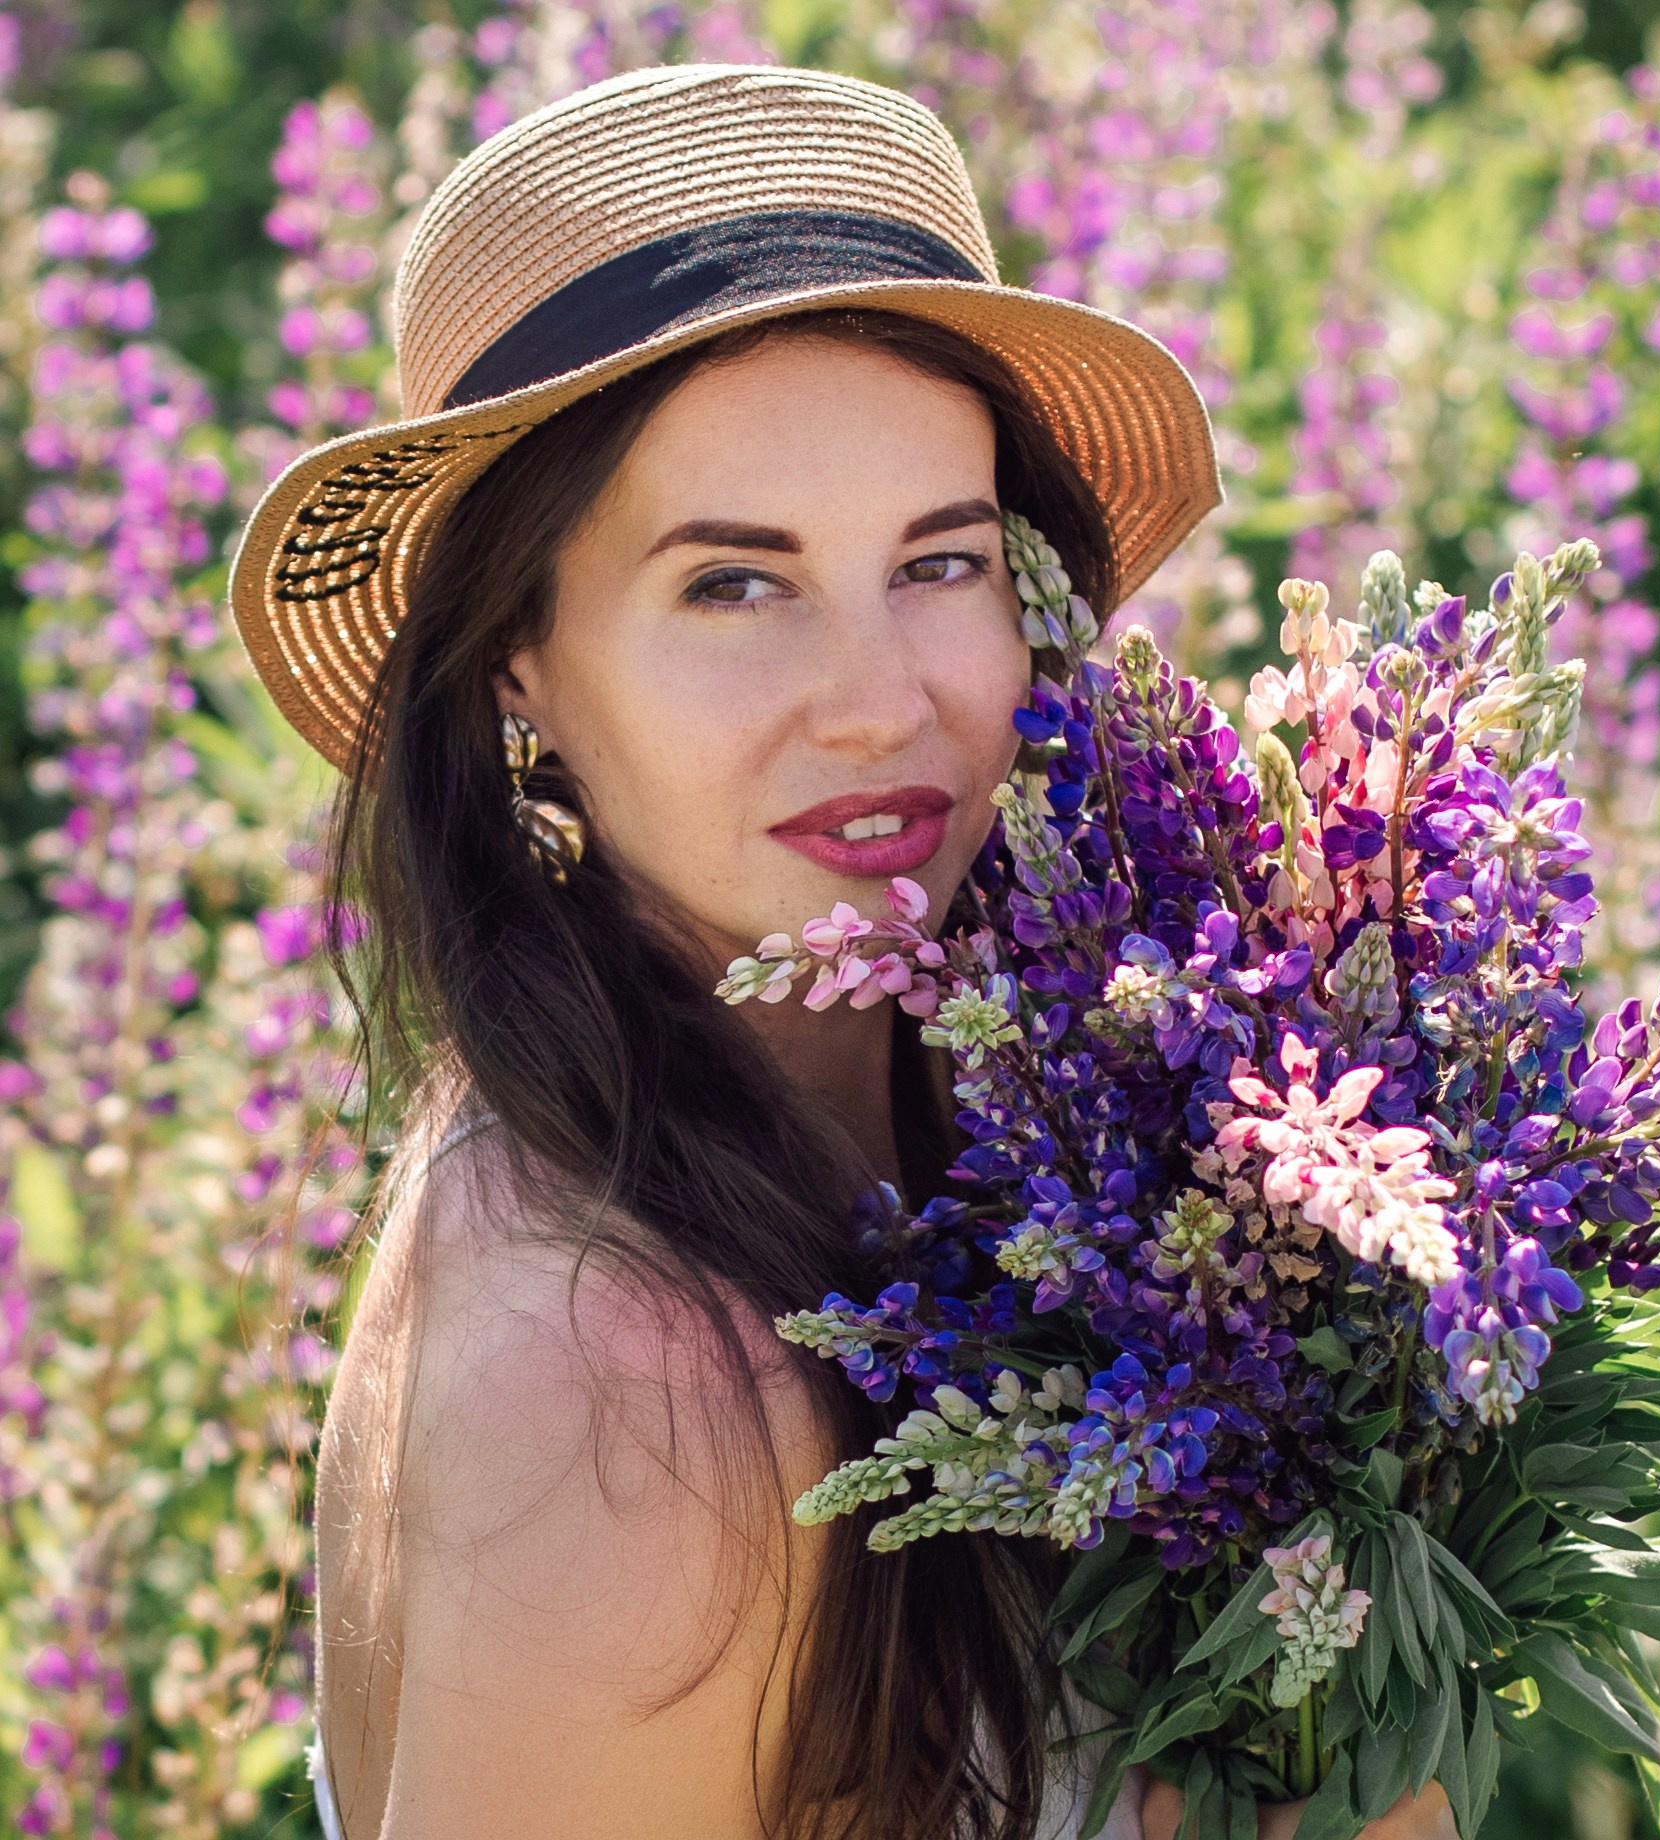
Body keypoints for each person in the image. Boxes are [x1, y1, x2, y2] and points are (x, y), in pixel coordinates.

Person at [230, 63, 1459, 1840]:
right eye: (734, 584)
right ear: (515, 662)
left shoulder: (1026, 1126)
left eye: (940, 564)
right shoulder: (632, 1388)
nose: (884, 705)